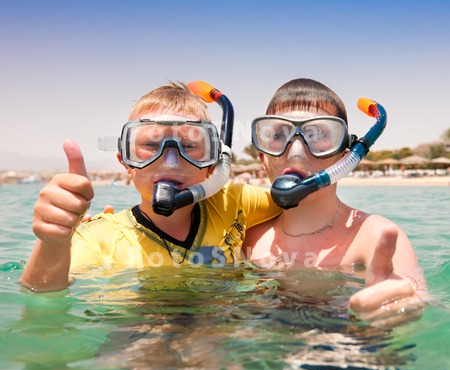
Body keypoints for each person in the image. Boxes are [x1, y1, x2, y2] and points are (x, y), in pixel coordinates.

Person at [20, 82, 281, 292]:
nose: (170, 162)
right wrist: (53, 242)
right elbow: (43, 294)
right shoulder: (100, 238)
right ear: (126, 161)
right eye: (150, 146)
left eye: (189, 146)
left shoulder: (234, 203)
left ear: (213, 164)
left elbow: (298, 199)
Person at [244, 78, 428, 328]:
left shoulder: (375, 238)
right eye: (278, 135)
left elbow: (416, 296)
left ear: (346, 159)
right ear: (263, 158)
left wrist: (402, 304)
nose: (296, 151)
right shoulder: (248, 238)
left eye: (318, 134)